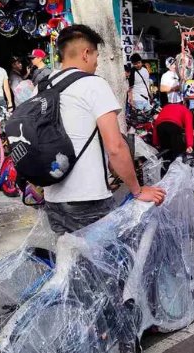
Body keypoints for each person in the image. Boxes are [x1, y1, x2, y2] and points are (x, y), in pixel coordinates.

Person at [35, 24, 165, 235]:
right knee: (109, 262)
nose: (97, 63)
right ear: (86, 53)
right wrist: (137, 190)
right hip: (88, 199)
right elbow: (115, 146)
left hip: (53, 198)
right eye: (96, 55)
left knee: (74, 263)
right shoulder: (93, 85)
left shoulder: (43, 86)